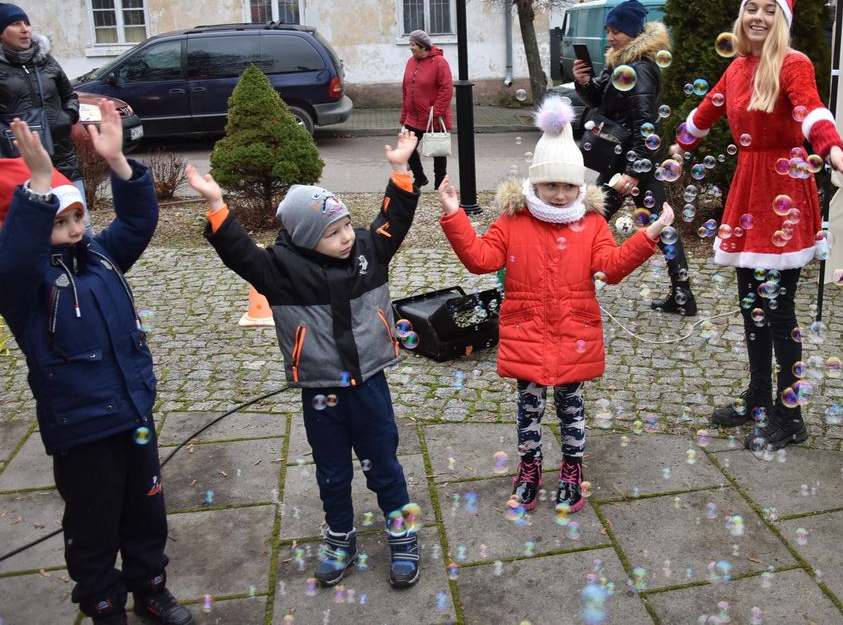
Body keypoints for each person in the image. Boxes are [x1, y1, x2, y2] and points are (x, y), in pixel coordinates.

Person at [186, 129, 423, 590]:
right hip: (320, 390)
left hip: (369, 385)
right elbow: (237, 252)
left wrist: (400, 170)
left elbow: (395, 217)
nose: (345, 237)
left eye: (346, 226)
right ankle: (340, 537)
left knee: (384, 463)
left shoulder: (369, 252)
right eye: (332, 233)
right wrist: (216, 203)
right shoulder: (279, 270)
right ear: (304, 237)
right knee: (331, 471)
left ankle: (402, 532)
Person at [0, 105, 193, 625]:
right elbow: (13, 261)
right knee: (93, 525)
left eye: (77, 216)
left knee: (147, 512)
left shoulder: (102, 256)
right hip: (82, 430)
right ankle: (104, 604)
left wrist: (119, 164)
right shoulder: (23, 288)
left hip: (134, 414)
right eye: (57, 221)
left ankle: (151, 589)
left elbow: (136, 220)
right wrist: (38, 189)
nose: (73, 229)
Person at [438, 95, 674, 512]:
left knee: (571, 407)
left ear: (580, 186)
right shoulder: (512, 221)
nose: (561, 194)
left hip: (573, 332)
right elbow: (479, 260)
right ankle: (528, 467)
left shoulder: (593, 223)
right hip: (526, 330)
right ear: (534, 184)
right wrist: (456, 216)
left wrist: (649, 234)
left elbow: (612, 268)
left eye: (568, 185)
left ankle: (572, 469)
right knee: (527, 410)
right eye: (552, 185)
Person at [674, 0, 843, 449]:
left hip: (783, 189)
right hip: (749, 188)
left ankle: (789, 414)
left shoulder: (794, 64)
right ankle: (757, 397)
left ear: (783, 22)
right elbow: (707, 111)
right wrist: (679, 143)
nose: (758, 16)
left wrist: (832, 149)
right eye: (751, 8)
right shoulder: (736, 68)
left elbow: (811, 110)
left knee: (777, 309)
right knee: (750, 303)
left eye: (769, 11)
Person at [572, 0, 698, 315]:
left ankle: (682, 296)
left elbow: (647, 123)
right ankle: (682, 296)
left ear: (631, 31)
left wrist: (633, 171)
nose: (610, 37)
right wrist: (584, 82)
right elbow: (600, 99)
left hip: (636, 164)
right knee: (597, 216)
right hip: (624, 161)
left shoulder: (640, 68)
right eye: (608, 30)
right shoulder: (619, 62)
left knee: (606, 218)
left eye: (616, 31)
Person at [0, 3, 86, 210]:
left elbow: (69, 94)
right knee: (35, 227)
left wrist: (67, 116)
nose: (25, 29)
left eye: (27, 23)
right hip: (19, 162)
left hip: (63, 157)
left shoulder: (46, 61)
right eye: (16, 24)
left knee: (80, 225)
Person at [400, 29, 454, 189]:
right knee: (406, 148)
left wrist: (436, 111)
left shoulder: (439, 63)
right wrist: (404, 115)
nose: (410, 47)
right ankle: (420, 176)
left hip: (433, 117)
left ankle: (440, 186)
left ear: (423, 46)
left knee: (438, 154)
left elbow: (447, 89)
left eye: (413, 44)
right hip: (412, 116)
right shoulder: (411, 62)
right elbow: (405, 89)